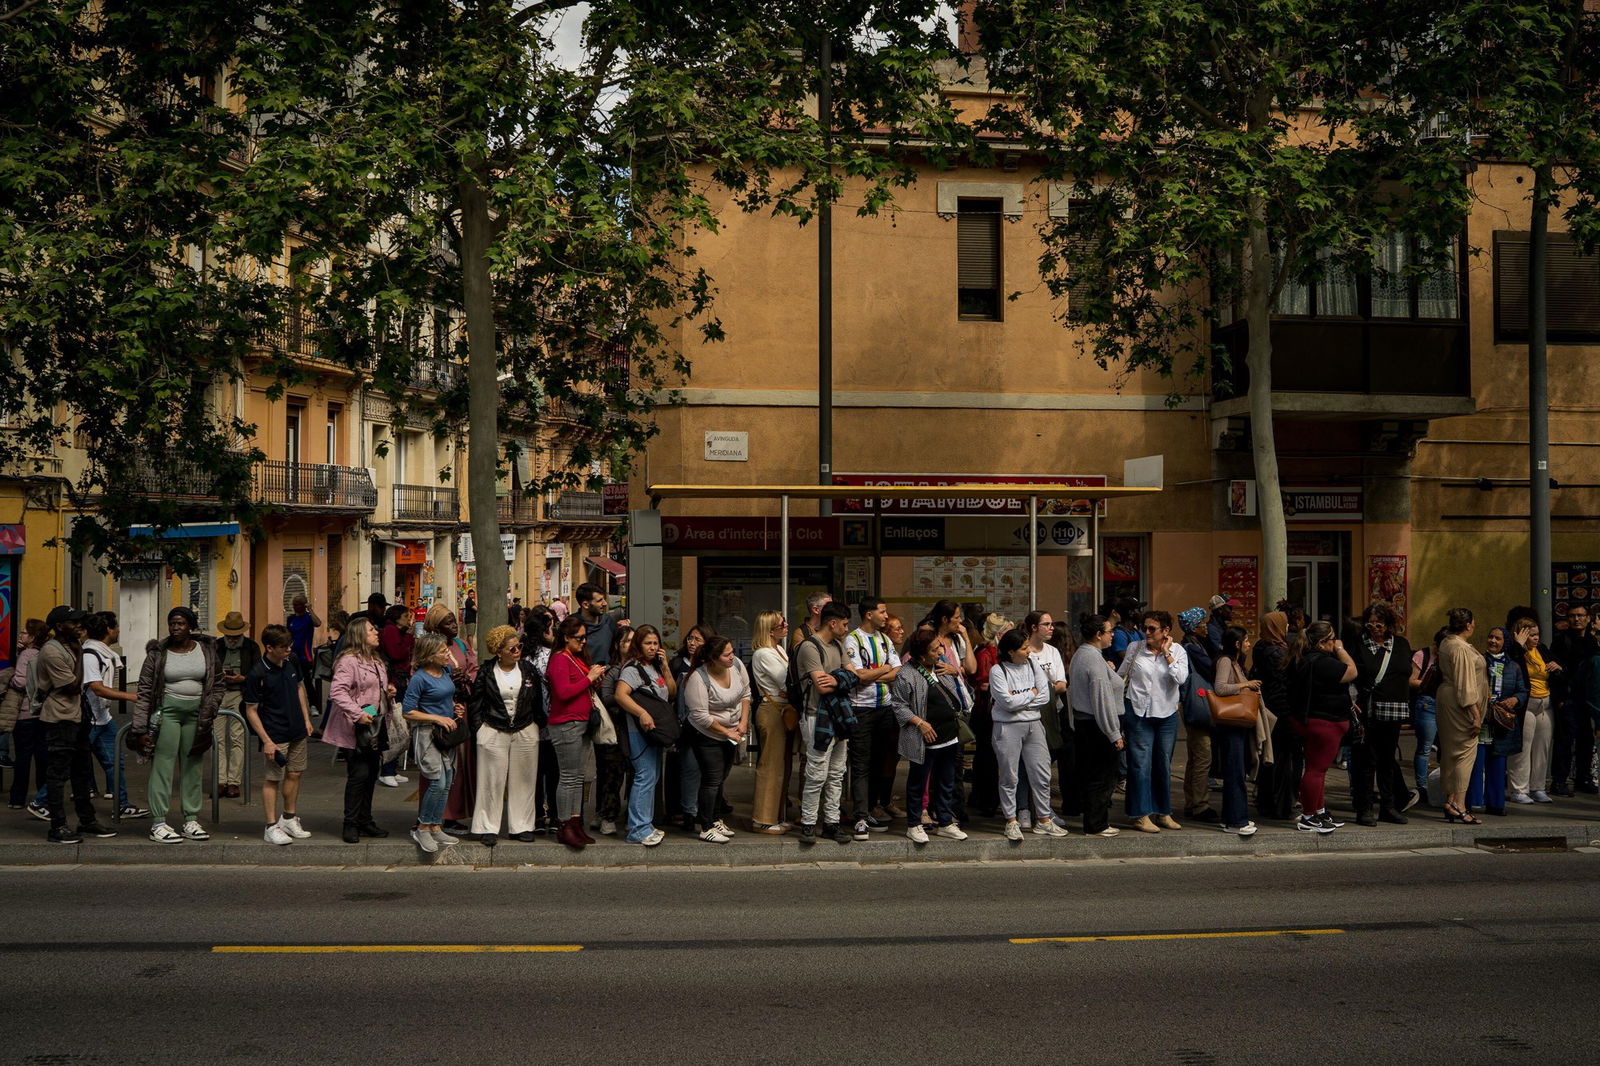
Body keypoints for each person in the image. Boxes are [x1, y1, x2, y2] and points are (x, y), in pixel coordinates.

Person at [131, 606, 221, 844]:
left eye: (180, 624)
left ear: (190, 625)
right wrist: (140, 730)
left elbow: (218, 682)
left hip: (197, 715)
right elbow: (144, 691)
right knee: (163, 764)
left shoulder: (207, 649)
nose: (176, 628)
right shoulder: (158, 653)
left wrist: (211, 708)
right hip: (167, 713)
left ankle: (191, 819)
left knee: (193, 765)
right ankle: (159, 822)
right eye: (172, 623)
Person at [36, 606, 116, 844]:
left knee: (82, 771)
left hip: (78, 715)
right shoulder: (52, 651)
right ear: (60, 627)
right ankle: (57, 827)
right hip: (60, 717)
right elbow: (72, 686)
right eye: (74, 622)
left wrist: (78, 648)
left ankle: (87, 821)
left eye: (81, 621)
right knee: (58, 774)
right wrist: (81, 651)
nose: (80, 626)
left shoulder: (70, 645)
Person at [987, 628, 1068, 840]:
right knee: (1009, 775)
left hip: (1034, 724)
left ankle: (1043, 819)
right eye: (1024, 648)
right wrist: (1030, 693)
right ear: (1011, 651)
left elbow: (1045, 696)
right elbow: (1006, 702)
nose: (1029, 651)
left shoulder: (1033, 665)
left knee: (1042, 774)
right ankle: (1011, 820)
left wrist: (1021, 697)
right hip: (1007, 727)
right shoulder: (998, 671)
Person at [470, 624, 545, 844]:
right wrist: (480, 729)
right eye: (511, 648)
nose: (517, 651)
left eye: (518, 646)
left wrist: (537, 724)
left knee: (524, 779)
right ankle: (487, 828)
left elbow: (537, 699)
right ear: (498, 651)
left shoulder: (529, 670)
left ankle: (521, 826)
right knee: (490, 780)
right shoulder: (486, 672)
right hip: (492, 729)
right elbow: (476, 703)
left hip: (525, 728)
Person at [892, 626, 967, 843]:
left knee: (947, 780)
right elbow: (898, 705)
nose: (940, 652)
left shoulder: (942, 668)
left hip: (949, 735)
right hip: (923, 737)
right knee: (918, 781)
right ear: (922, 653)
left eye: (940, 647)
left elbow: (960, 697)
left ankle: (945, 821)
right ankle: (914, 823)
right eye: (935, 649)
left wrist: (956, 673)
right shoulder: (907, 673)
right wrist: (919, 723)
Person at [242, 624, 315, 845]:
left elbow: (300, 687)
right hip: (275, 733)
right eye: (284, 647)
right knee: (273, 778)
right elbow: (251, 710)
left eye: (289, 645)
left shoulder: (291, 661)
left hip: (297, 729)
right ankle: (270, 825)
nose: (289, 650)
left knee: (295, 773)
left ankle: (289, 818)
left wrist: (306, 719)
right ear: (269, 648)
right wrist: (266, 741)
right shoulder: (258, 673)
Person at [323, 617, 394, 843]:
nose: (376, 632)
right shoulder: (348, 661)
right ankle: (350, 823)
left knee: (371, 773)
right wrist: (357, 713)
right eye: (371, 630)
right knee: (359, 774)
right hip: (355, 727)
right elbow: (337, 692)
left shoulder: (377, 660)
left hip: (375, 724)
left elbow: (376, 688)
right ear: (358, 635)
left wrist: (388, 691)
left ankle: (365, 821)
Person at [1347, 603, 1418, 825]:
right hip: (1367, 710)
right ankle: (1364, 807)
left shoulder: (1402, 645)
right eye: (1370, 622)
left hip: (1394, 710)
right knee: (1365, 761)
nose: (1375, 627)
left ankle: (1388, 806)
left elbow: (1406, 672)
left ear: (1389, 624)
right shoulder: (1358, 645)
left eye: (1380, 622)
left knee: (1387, 761)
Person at [1117, 610, 1187, 833]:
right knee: (1139, 765)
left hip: (1166, 714)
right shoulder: (1135, 648)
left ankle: (1163, 812)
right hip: (1138, 712)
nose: (1145, 632)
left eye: (1151, 628)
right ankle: (1140, 814)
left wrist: (1167, 654)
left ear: (1166, 631)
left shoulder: (1178, 651)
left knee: (1163, 765)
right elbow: (1121, 676)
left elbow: (1181, 679)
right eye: (1144, 627)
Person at [681, 635, 752, 843]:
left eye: (732, 652)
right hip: (706, 733)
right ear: (713, 658)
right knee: (711, 778)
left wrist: (743, 721)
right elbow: (700, 716)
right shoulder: (698, 678)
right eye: (727, 654)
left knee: (721, 776)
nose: (733, 657)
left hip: (733, 730)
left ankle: (715, 818)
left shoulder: (737, 666)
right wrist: (726, 732)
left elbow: (746, 693)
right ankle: (705, 826)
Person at [1286, 621, 1355, 833]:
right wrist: (1341, 649)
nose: (1335, 643)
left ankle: (1319, 810)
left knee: (1319, 769)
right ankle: (1309, 815)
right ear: (1323, 642)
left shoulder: (1304, 659)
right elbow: (1352, 672)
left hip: (1316, 720)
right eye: (1332, 639)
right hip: (1325, 721)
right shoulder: (1322, 661)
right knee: (1316, 770)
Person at [613, 624, 676, 846]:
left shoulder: (655, 667)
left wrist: (666, 667)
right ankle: (638, 829)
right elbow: (620, 695)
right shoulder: (632, 668)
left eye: (655, 643)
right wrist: (641, 713)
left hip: (654, 732)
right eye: (647, 643)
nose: (652, 647)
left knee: (652, 777)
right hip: (639, 732)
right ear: (639, 645)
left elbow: (671, 692)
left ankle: (644, 824)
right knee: (644, 777)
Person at [403, 632, 467, 853]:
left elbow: (446, 697)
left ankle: (435, 825)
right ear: (430, 655)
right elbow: (408, 712)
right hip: (428, 734)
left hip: (446, 733)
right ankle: (422, 828)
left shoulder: (446, 671)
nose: (447, 653)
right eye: (442, 651)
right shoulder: (419, 678)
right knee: (437, 781)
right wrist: (437, 717)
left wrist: (454, 708)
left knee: (448, 779)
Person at [795, 601, 853, 844]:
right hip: (815, 715)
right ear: (832, 622)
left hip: (837, 715)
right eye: (845, 624)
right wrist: (844, 678)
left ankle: (831, 822)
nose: (847, 629)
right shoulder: (810, 647)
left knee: (837, 772)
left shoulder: (838, 645)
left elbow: (854, 675)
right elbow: (821, 684)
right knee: (817, 772)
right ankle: (808, 823)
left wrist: (839, 679)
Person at [844, 595, 900, 838]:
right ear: (869, 614)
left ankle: (871, 809)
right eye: (882, 612)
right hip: (862, 709)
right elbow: (859, 676)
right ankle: (859, 816)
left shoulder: (885, 639)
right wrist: (883, 670)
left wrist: (876, 673)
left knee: (881, 763)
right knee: (861, 764)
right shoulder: (853, 639)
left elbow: (897, 671)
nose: (886, 616)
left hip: (885, 708)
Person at [80, 611, 146, 819]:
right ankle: (42, 800)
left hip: (102, 717)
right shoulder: (90, 654)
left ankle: (122, 804)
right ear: (108, 629)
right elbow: (97, 688)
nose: (118, 629)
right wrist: (130, 696)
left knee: (115, 761)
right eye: (116, 626)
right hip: (90, 719)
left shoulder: (103, 653)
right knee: (70, 761)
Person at [546, 615, 605, 847]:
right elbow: (563, 693)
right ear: (566, 637)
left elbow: (582, 687)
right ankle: (564, 825)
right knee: (569, 776)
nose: (584, 641)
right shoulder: (560, 659)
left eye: (585, 637)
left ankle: (575, 822)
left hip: (580, 722)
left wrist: (595, 677)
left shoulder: (575, 658)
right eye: (579, 638)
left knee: (579, 776)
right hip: (566, 723)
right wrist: (589, 678)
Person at [1069, 614, 1124, 837]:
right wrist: (1113, 733)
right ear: (1098, 635)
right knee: (1101, 778)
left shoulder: (1084, 654)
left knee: (1093, 775)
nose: (1113, 635)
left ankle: (1095, 821)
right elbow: (1102, 700)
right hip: (1097, 726)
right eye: (1109, 631)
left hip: (1086, 724)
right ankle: (1097, 823)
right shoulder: (1092, 659)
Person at [426, 604, 479, 831]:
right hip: (439, 712)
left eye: (453, 620)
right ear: (436, 627)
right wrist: (448, 677)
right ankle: (434, 815)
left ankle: (455, 813)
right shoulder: (429, 647)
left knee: (460, 762)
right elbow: (421, 674)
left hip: (462, 709)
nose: (453, 625)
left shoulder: (461, 643)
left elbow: (474, 667)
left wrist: (466, 678)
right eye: (447, 622)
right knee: (439, 764)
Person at [1018, 610, 1069, 829]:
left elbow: (1061, 685)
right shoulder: (1023, 650)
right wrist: (1044, 688)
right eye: (1046, 624)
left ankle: (1043, 809)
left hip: (1049, 713)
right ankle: (1022, 809)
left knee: (1043, 764)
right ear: (1033, 628)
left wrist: (1041, 688)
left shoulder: (1052, 652)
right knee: (1022, 764)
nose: (1051, 628)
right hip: (1024, 714)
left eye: (1051, 623)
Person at [1436, 608, 1487, 824]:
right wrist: (1475, 715)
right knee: (1465, 753)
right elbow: (1465, 686)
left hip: (1448, 700)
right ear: (1468, 625)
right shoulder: (1460, 647)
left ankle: (1451, 800)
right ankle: (1459, 804)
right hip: (1459, 705)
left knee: (1452, 752)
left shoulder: (1448, 642)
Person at [1251, 611, 1302, 820]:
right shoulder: (1276, 652)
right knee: (1285, 761)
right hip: (1281, 711)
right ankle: (1283, 805)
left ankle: (1267, 803)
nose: (1288, 627)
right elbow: (1286, 682)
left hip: (1269, 710)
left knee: (1271, 759)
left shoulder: (1262, 648)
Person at [1212, 626, 1262, 837]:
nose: (1249, 643)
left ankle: (1232, 817)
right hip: (1231, 722)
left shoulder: (1236, 662)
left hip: (1237, 724)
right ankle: (1236, 820)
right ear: (1237, 644)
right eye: (1246, 640)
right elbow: (1220, 688)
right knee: (1234, 772)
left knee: (1236, 771)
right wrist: (1246, 684)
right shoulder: (1225, 661)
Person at [1471, 626, 1527, 816]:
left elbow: (1523, 691)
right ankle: (1474, 802)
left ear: (1505, 643)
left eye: (1498, 638)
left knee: (1497, 761)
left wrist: (1515, 700)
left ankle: (1496, 804)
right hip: (1481, 718)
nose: (1493, 641)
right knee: (1476, 761)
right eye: (1490, 637)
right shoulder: (1478, 661)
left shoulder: (1514, 666)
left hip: (1500, 721)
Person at [749, 610, 795, 834]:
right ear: (770, 630)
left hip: (781, 709)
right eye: (781, 623)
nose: (786, 625)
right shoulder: (764, 654)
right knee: (771, 765)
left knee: (781, 766)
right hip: (772, 711)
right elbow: (786, 680)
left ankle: (774, 814)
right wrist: (787, 689)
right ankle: (762, 819)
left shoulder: (778, 649)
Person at [1548, 602, 1597, 796]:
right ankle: (1559, 781)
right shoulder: (1561, 641)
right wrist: (1559, 698)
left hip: (1587, 699)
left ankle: (1583, 778)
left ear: (1588, 618)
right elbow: (1555, 671)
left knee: (1586, 739)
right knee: (1564, 741)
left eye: (1580, 615)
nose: (1576, 619)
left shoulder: (1592, 641)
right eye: (1572, 616)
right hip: (1568, 698)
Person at [1506, 616, 1555, 805]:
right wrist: (1517, 645)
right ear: (1522, 635)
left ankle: (1538, 787)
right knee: (1523, 748)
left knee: (1542, 748)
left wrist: (1557, 666)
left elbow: (1557, 665)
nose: (1536, 638)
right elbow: (1510, 663)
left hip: (1545, 704)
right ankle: (1519, 789)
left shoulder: (1541, 649)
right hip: (1526, 704)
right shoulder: (1515, 651)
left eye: (1537, 634)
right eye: (1531, 635)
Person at [1177, 606, 1218, 825]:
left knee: (1195, 757)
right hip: (1197, 704)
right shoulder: (1192, 648)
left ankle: (1191, 801)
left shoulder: (1193, 645)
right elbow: (1212, 667)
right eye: (1202, 624)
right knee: (1203, 755)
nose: (1206, 628)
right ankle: (1200, 803)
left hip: (1192, 703)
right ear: (1194, 628)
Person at [968, 613, 1012, 818]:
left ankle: (983, 797)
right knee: (989, 756)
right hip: (987, 711)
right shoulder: (986, 653)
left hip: (991, 709)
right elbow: (982, 683)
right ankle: (987, 799)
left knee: (988, 756)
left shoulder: (995, 652)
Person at [523, 606, 562, 833]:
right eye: (551, 623)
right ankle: (554, 815)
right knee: (553, 771)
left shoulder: (524, 653)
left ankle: (537, 814)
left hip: (530, 720)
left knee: (534, 772)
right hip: (551, 717)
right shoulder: (551, 654)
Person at [667, 624, 710, 830]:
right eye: (690, 638)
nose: (692, 643)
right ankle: (685, 812)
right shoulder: (677, 663)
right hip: (684, 726)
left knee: (706, 770)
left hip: (708, 726)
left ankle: (704, 811)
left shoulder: (711, 665)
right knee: (686, 769)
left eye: (697, 639)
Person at [594, 625, 635, 836]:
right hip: (615, 730)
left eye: (633, 641)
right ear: (618, 645)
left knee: (636, 775)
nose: (630, 645)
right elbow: (607, 699)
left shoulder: (643, 668)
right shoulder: (612, 671)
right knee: (612, 776)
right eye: (626, 641)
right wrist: (629, 700)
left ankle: (631, 815)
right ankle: (607, 816)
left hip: (637, 731)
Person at [214, 611, 259, 800]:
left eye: (236, 636)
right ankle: (220, 780)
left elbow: (258, 674)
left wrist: (244, 678)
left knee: (237, 738)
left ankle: (234, 781)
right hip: (219, 694)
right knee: (217, 739)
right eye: (229, 636)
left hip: (239, 694)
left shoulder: (251, 647)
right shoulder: (216, 646)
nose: (232, 639)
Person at [4, 619, 47, 814]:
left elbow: (21, 681)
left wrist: (9, 678)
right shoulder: (43, 653)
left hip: (25, 713)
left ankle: (17, 797)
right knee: (41, 757)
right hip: (41, 713)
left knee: (22, 756)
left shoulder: (27, 655)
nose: (20, 636)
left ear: (32, 637)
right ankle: (42, 796)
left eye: (24, 633)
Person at [376, 603, 415, 789]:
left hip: (400, 681)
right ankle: (386, 769)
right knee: (392, 724)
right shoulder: (391, 631)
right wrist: (408, 636)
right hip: (393, 683)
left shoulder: (400, 633)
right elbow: (397, 653)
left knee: (400, 725)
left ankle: (391, 766)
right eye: (407, 616)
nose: (409, 620)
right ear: (398, 617)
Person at [1409, 627, 1445, 806]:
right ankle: (1422, 787)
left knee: (1446, 748)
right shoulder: (1422, 655)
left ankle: (1443, 786)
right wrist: (1430, 682)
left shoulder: (1451, 654)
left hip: (1446, 705)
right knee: (1425, 747)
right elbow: (1411, 680)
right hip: (1427, 703)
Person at [576, 582, 628, 664]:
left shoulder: (607, 620)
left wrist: (623, 631)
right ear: (586, 605)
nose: (605, 603)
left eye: (604, 599)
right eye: (599, 601)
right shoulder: (572, 625)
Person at [286, 593, 321, 703]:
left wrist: (310, 609)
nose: (296, 607)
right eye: (294, 604)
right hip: (292, 654)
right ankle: (294, 702)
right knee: (291, 679)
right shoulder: (291, 619)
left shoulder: (308, 618)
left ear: (303, 605)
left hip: (305, 656)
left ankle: (313, 704)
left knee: (307, 681)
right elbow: (287, 635)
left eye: (298, 604)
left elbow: (318, 623)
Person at [1108, 597, 1145, 667]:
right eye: (1138, 610)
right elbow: (1129, 661)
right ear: (1131, 613)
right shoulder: (1119, 634)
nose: (1141, 613)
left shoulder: (1138, 632)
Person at [1205, 595, 1239, 660]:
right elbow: (1222, 651)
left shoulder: (1223, 626)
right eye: (1229, 608)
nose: (1232, 611)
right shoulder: (1211, 629)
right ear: (1220, 610)